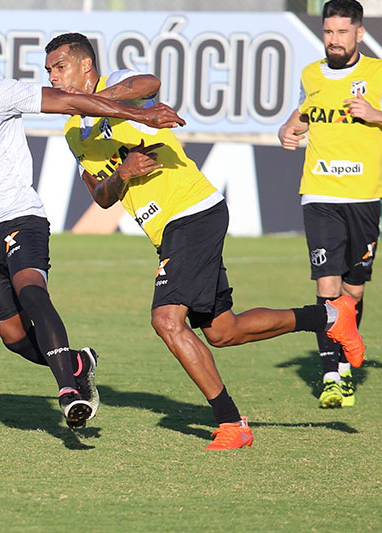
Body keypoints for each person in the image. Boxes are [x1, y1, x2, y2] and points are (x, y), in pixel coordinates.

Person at [44, 32, 366, 448]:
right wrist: (123, 174)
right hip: (168, 229)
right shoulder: (74, 132)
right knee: (223, 331)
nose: (52, 76)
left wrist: (101, 103)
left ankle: (232, 424)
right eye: (49, 69)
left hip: (191, 211)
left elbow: (150, 83)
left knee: (166, 320)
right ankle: (330, 317)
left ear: (86, 66)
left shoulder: (118, 85)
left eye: (60, 66)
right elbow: (100, 196)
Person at [0, 23, 185, 429]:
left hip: (19, 217)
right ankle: (78, 363)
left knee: (32, 291)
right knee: (14, 339)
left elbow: (70, 102)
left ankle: (69, 393)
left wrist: (140, 114)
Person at [278, 0, 380, 408]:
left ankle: (346, 364)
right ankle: (330, 374)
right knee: (327, 285)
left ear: (359, 33)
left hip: (365, 196)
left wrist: (375, 114)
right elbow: (303, 115)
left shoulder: (376, 73)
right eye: (328, 32)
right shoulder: (311, 74)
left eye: (342, 32)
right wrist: (288, 129)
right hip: (319, 192)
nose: (333, 40)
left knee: (352, 292)